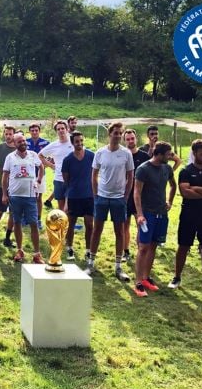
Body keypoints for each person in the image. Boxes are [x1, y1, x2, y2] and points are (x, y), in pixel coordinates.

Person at [170, 139, 202, 291]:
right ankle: (177, 277)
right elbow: (185, 193)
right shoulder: (185, 171)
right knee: (183, 245)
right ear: (194, 153)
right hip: (189, 213)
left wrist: (196, 188)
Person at [88, 122, 134, 280]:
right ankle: (91, 263)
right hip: (102, 197)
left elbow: (130, 176)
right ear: (110, 134)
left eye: (120, 133)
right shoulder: (100, 153)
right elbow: (94, 174)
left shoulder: (126, 153)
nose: (118, 136)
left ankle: (118, 267)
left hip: (118, 199)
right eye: (116, 133)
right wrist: (95, 195)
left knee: (119, 232)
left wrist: (125, 196)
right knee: (97, 230)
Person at [132, 142, 176, 297]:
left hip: (161, 214)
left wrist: (170, 201)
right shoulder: (143, 169)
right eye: (168, 154)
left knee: (153, 246)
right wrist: (140, 214)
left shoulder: (167, 168)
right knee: (143, 247)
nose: (170, 157)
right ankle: (138, 282)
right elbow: (137, 193)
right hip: (147, 214)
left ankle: (146, 278)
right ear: (159, 154)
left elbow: (173, 185)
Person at [1, 133, 44, 264]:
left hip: (30, 196)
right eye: (19, 141)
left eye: (24, 141)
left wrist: (38, 181)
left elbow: (41, 167)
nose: (23, 143)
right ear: (14, 144)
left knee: (33, 224)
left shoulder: (33, 155)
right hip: (15, 196)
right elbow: (5, 177)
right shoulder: (10, 157)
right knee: (17, 223)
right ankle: (20, 250)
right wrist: (4, 194)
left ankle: (37, 253)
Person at [61, 132, 95, 262]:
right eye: (77, 141)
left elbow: (96, 173)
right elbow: (66, 180)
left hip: (89, 196)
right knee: (71, 224)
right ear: (72, 143)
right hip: (74, 196)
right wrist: (68, 198)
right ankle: (69, 247)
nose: (79, 143)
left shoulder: (91, 156)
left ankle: (88, 250)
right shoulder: (68, 159)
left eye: (81, 140)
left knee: (89, 224)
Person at [123, 129, 152, 262]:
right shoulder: (122, 156)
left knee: (141, 224)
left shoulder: (145, 157)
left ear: (136, 139)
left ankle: (141, 251)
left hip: (140, 196)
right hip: (124, 195)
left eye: (132, 138)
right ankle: (126, 251)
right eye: (128, 139)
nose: (130, 141)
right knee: (124, 225)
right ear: (124, 141)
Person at [39, 120, 74, 215]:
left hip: (73, 179)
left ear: (67, 129)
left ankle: (70, 223)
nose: (61, 130)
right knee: (61, 208)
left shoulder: (73, 142)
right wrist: (52, 166)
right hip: (59, 179)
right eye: (58, 129)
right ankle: (62, 223)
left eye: (62, 128)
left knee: (71, 207)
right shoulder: (54, 145)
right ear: (56, 131)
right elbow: (40, 155)